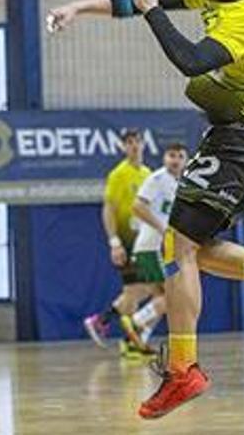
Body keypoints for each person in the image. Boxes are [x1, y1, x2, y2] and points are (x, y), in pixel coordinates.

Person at [46, 0, 244, 419]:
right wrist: (79, 8)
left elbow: (191, 60)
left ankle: (184, 369)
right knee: (190, 248)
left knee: (177, 247)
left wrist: (151, 12)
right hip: (239, 139)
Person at [82, 129, 159, 357]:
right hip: (127, 241)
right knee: (144, 291)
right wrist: (114, 242)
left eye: (137, 142)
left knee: (140, 292)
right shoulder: (118, 174)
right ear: (123, 147)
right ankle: (103, 320)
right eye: (129, 143)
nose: (134, 146)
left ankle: (128, 339)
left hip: (145, 241)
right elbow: (109, 209)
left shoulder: (148, 174)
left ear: (144, 145)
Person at [119, 142, 190, 354]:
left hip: (160, 247)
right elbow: (138, 207)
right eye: (171, 155)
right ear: (164, 158)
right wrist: (162, 229)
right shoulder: (157, 179)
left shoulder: (179, 184)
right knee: (171, 297)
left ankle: (134, 343)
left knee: (161, 297)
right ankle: (136, 322)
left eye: (179, 156)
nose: (175, 160)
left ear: (185, 161)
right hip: (151, 246)